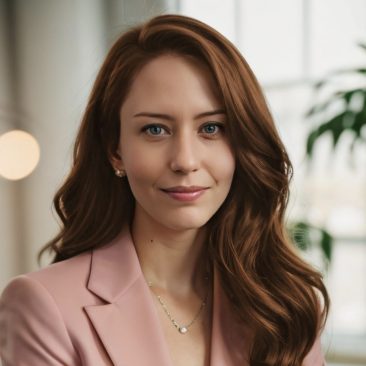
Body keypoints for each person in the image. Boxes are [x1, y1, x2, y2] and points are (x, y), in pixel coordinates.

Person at [0, 14, 329, 366]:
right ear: (115, 149)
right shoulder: (45, 305)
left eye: (212, 128)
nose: (185, 161)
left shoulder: (285, 303)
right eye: (155, 130)